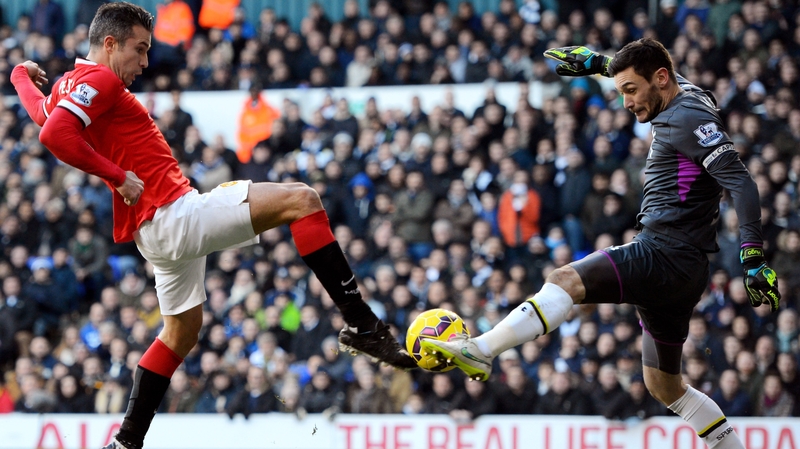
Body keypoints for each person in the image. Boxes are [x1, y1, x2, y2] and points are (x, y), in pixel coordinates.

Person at [10, 4, 414, 449]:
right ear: (110, 44)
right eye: (139, 49)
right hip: (174, 214)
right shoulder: (100, 79)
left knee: (181, 334)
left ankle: (126, 442)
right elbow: (53, 137)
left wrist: (18, 77)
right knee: (303, 200)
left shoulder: (72, 84)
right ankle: (365, 327)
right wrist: (117, 175)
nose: (145, 62)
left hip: (156, 233)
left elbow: (43, 117)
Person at [422, 39, 780, 449]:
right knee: (665, 387)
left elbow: (741, 182)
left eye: (630, 90)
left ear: (660, 79)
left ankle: (482, 348)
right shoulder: (686, 93)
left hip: (663, 252)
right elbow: (650, 73)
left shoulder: (685, 118)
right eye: (620, 89)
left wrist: (752, 256)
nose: (625, 102)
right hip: (686, 268)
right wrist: (597, 63)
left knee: (565, 280)